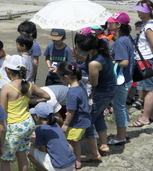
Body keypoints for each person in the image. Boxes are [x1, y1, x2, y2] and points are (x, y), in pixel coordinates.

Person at [0, 55, 50, 171]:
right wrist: (31, 100)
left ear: (8, 70)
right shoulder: (29, 85)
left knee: (5, 158)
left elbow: (2, 112)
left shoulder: (6, 88)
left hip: (14, 126)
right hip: (27, 123)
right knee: (21, 153)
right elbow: (47, 96)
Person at [73, 33, 116, 161]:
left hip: (102, 92)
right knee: (98, 117)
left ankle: (94, 153)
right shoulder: (101, 52)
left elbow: (94, 83)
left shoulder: (94, 63)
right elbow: (88, 60)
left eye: (80, 50)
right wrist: (78, 56)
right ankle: (104, 145)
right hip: (110, 89)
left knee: (87, 120)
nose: (78, 50)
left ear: (90, 50)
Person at [129, 0, 153, 127]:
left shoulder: (149, 27)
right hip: (149, 59)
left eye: (141, 11)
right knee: (152, 87)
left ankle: (144, 118)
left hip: (147, 60)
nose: (138, 13)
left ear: (148, 12)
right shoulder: (149, 24)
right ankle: (152, 115)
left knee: (148, 89)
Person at [106, 12, 134, 145]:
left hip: (121, 80)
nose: (108, 24)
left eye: (111, 22)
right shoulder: (126, 38)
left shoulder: (120, 42)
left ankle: (120, 137)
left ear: (118, 25)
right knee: (122, 106)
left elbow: (124, 62)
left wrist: (110, 63)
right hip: (127, 78)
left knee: (119, 108)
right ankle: (124, 132)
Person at [57, 62, 91, 170]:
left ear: (66, 77)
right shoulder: (81, 85)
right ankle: (78, 161)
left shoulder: (72, 92)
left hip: (76, 122)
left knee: (69, 142)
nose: (61, 81)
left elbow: (71, 111)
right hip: (84, 119)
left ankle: (70, 164)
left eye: (61, 78)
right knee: (76, 142)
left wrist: (65, 124)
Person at [28, 102, 76, 171]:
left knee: (28, 151)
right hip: (71, 163)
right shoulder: (56, 124)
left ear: (37, 116)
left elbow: (42, 150)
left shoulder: (40, 129)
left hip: (59, 167)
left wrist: (35, 141)